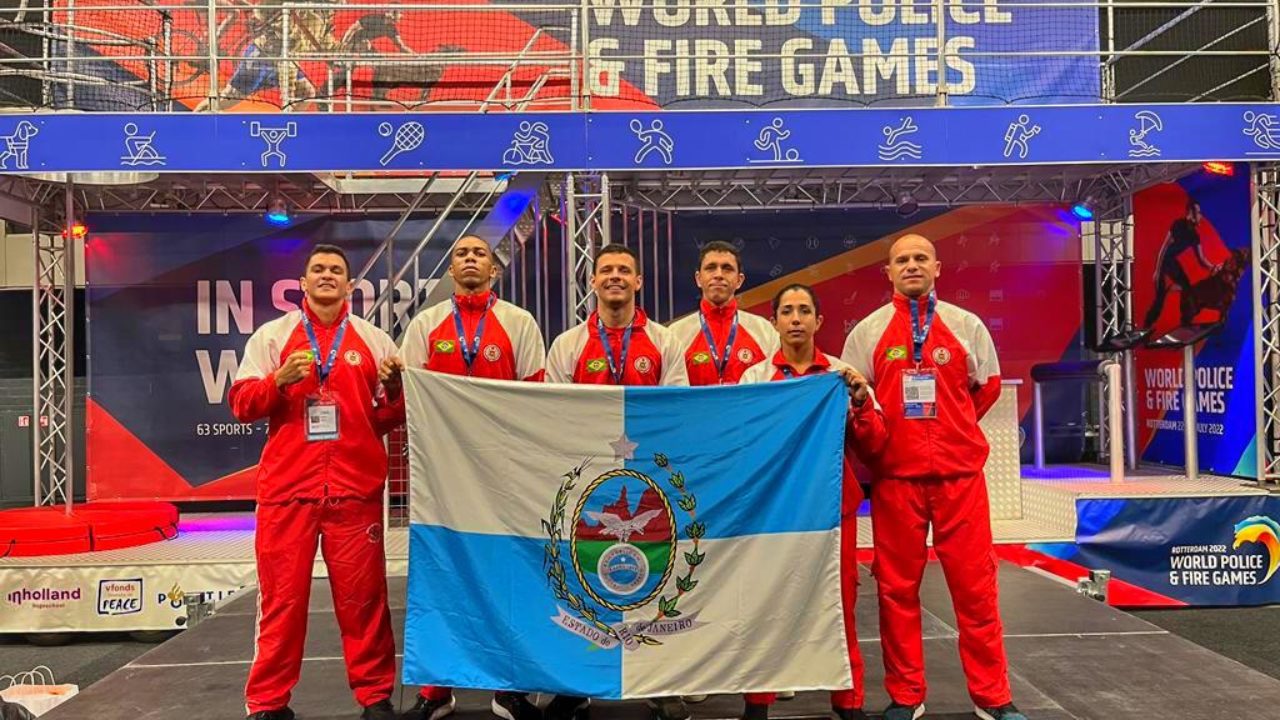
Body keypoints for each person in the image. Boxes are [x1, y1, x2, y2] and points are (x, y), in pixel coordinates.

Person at [841, 234, 1027, 720]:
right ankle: (906, 695)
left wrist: (952, 429)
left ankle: (992, 697)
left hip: (959, 478)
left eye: (920, 258)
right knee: (895, 591)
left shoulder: (967, 326)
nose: (911, 265)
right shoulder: (868, 332)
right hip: (896, 480)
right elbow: (858, 400)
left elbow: (983, 390)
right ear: (888, 272)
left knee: (976, 589)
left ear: (938, 267)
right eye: (901, 260)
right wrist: (897, 442)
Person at [229, 244, 404, 720]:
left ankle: (375, 698)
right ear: (302, 284)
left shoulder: (374, 341)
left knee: (365, 601)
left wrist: (393, 390)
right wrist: (279, 381)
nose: (327, 276)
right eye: (318, 270)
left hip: (355, 492)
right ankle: (267, 703)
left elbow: (387, 420)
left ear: (351, 286)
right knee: (282, 601)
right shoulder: (272, 336)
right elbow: (242, 405)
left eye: (336, 271)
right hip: (288, 492)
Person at [398, 234, 545, 720]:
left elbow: (535, 400)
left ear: (494, 269)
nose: (469, 259)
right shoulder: (425, 324)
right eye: (461, 253)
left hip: (505, 473)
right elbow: (408, 397)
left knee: (512, 575)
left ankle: (512, 687)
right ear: (451, 268)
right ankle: (436, 691)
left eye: (479, 253)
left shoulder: (519, 323)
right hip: (443, 475)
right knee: (439, 575)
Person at [544, 243, 689, 720]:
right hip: (588, 489)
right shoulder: (567, 344)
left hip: (648, 485)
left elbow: (675, 412)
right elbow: (552, 416)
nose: (615, 277)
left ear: (639, 282)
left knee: (653, 579)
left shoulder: (666, 343)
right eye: (606, 270)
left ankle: (659, 682)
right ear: (592, 282)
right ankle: (575, 685)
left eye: (624, 270)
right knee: (585, 580)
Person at [739, 284, 885, 720]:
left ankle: (848, 701)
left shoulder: (842, 376)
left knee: (840, 606)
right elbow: (744, 442)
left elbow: (876, 445)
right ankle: (757, 703)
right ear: (775, 322)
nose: (796, 318)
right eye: (788, 311)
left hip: (831, 509)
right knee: (764, 605)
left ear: (819, 321)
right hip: (775, 510)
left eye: (805, 310)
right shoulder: (756, 378)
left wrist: (859, 403)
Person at [668, 240, 779, 387]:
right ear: (698, 279)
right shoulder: (675, 334)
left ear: (739, 280)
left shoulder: (765, 332)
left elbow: (776, 391)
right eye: (711, 268)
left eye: (727, 268)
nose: (719, 275)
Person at [1143, 200, 1218, 328]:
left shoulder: (1194, 236)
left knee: (1187, 288)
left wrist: (1213, 267)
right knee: (1159, 300)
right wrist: (1157, 270)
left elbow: (1201, 258)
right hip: (1164, 260)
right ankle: (1147, 325)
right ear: (1190, 213)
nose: (1200, 216)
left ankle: (1168, 291)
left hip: (1172, 261)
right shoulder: (1178, 224)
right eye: (1198, 212)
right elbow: (1164, 248)